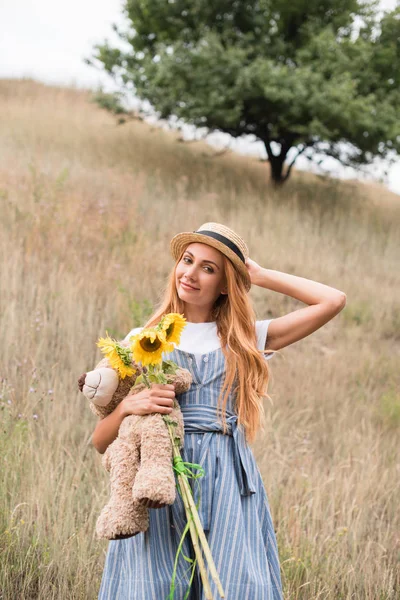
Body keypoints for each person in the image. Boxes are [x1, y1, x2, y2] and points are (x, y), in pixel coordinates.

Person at [93, 222, 346, 599]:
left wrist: (256, 275)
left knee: (231, 585)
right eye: (187, 260)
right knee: (155, 586)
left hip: (228, 478)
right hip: (160, 478)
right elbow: (99, 441)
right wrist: (129, 405)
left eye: (208, 268)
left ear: (226, 283)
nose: (190, 274)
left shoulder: (246, 340)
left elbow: (332, 300)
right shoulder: (142, 340)